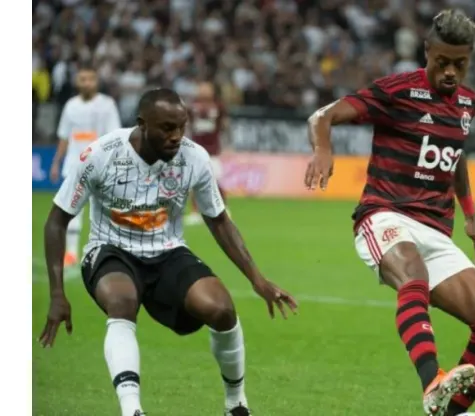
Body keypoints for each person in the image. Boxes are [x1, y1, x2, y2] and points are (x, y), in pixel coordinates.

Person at [39, 88, 298, 416]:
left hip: (168, 251)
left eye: (181, 126)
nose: (177, 136)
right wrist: (58, 293)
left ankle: (236, 403)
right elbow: (56, 221)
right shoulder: (101, 155)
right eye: (167, 128)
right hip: (110, 249)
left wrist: (257, 279)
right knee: (121, 302)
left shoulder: (195, 158)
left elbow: (218, 221)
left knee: (221, 310)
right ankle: (132, 410)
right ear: (142, 124)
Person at [304, 9, 475, 416]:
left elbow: (456, 156)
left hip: (436, 227)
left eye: (460, 64)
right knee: (411, 276)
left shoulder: (468, 102)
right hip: (384, 214)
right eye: (442, 62)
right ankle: (432, 379)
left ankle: (452, 413)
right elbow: (323, 116)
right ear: (427, 51)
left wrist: (469, 213)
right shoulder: (397, 90)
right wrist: (323, 149)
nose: (451, 72)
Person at [50, 64, 122, 267]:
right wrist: (56, 162)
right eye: (83, 79)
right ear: (77, 82)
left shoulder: (106, 105)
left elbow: (113, 137)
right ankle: (71, 253)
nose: (87, 83)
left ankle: (109, 251)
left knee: (107, 211)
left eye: (91, 78)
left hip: (102, 167)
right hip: (74, 166)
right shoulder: (71, 106)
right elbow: (64, 136)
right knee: (72, 210)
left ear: (96, 81)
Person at [184, 81, 230, 226]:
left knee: (216, 180)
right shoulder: (191, 106)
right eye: (201, 88)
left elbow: (224, 125)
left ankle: (223, 208)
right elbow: (187, 124)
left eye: (206, 88)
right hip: (196, 149)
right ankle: (195, 211)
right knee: (195, 181)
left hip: (213, 149)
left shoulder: (219, 106)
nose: (203, 91)